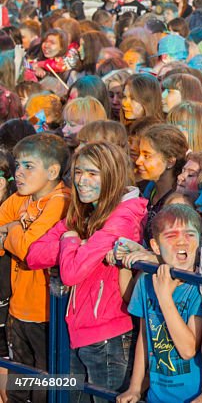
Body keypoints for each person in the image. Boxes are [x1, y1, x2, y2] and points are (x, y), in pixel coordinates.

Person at [26, 142, 146, 396]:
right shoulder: (83, 212)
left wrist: (69, 240)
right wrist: (76, 243)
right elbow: (34, 255)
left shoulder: (123, 218)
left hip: (111, 338)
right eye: (78, 172)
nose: (81, 181)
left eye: (92, 173)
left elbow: (71, 273)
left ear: (111, 176)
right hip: (78, 332)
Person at [0, 134, 70, 403]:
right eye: (17, 165)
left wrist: (13, 230)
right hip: (18, 309)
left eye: (29, 166)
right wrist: (13, 236)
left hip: (45, 313)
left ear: (52, 171)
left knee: (44, 385)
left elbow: (31, 250)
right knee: (18, 386)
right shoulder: (20, 198)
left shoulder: (60, 200)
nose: (19, 173)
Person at [120, 205, 202, 403]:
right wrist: (135, 387)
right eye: (171, 235)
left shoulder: (200, 287)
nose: (182, 241)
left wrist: (165, 298)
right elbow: (144, 336)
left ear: (201, 241)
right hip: (156, 395)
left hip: (191, 397)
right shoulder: (146, 281)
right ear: (156, 246)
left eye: (190, 234)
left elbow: (188, 350)